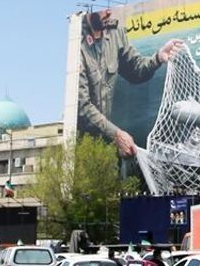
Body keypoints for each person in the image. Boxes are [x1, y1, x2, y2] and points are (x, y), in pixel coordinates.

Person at [77, 8, 182, 157]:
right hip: (81, 147)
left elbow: (136, 70)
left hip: (106, 143)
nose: (108, 13)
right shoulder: (76, 43)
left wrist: (158, 57)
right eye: (103, 9)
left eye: (110, 8)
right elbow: (83, 107)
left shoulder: (116, 33)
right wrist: (117, 135)